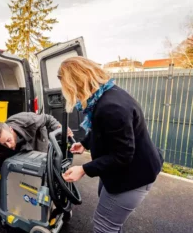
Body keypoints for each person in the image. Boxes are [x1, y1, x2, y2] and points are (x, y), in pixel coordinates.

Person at [58, 56, 164, 233]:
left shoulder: (111, 107)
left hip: (133, 177)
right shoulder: (107, 94)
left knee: (104, 226)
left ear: (76, 82)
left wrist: (84, 169)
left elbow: (123, 155)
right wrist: (85, 143)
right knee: (112, 224)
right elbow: (104, 131)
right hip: (123, 173)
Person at [0, 112, 73, 154]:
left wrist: (60, 128)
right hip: (24, 153)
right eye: (4, 144)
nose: (8, 146)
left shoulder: (29, 121)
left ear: (11, 129)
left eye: (8, 140)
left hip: (39, 143)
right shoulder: (1, 139)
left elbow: (48, 118)